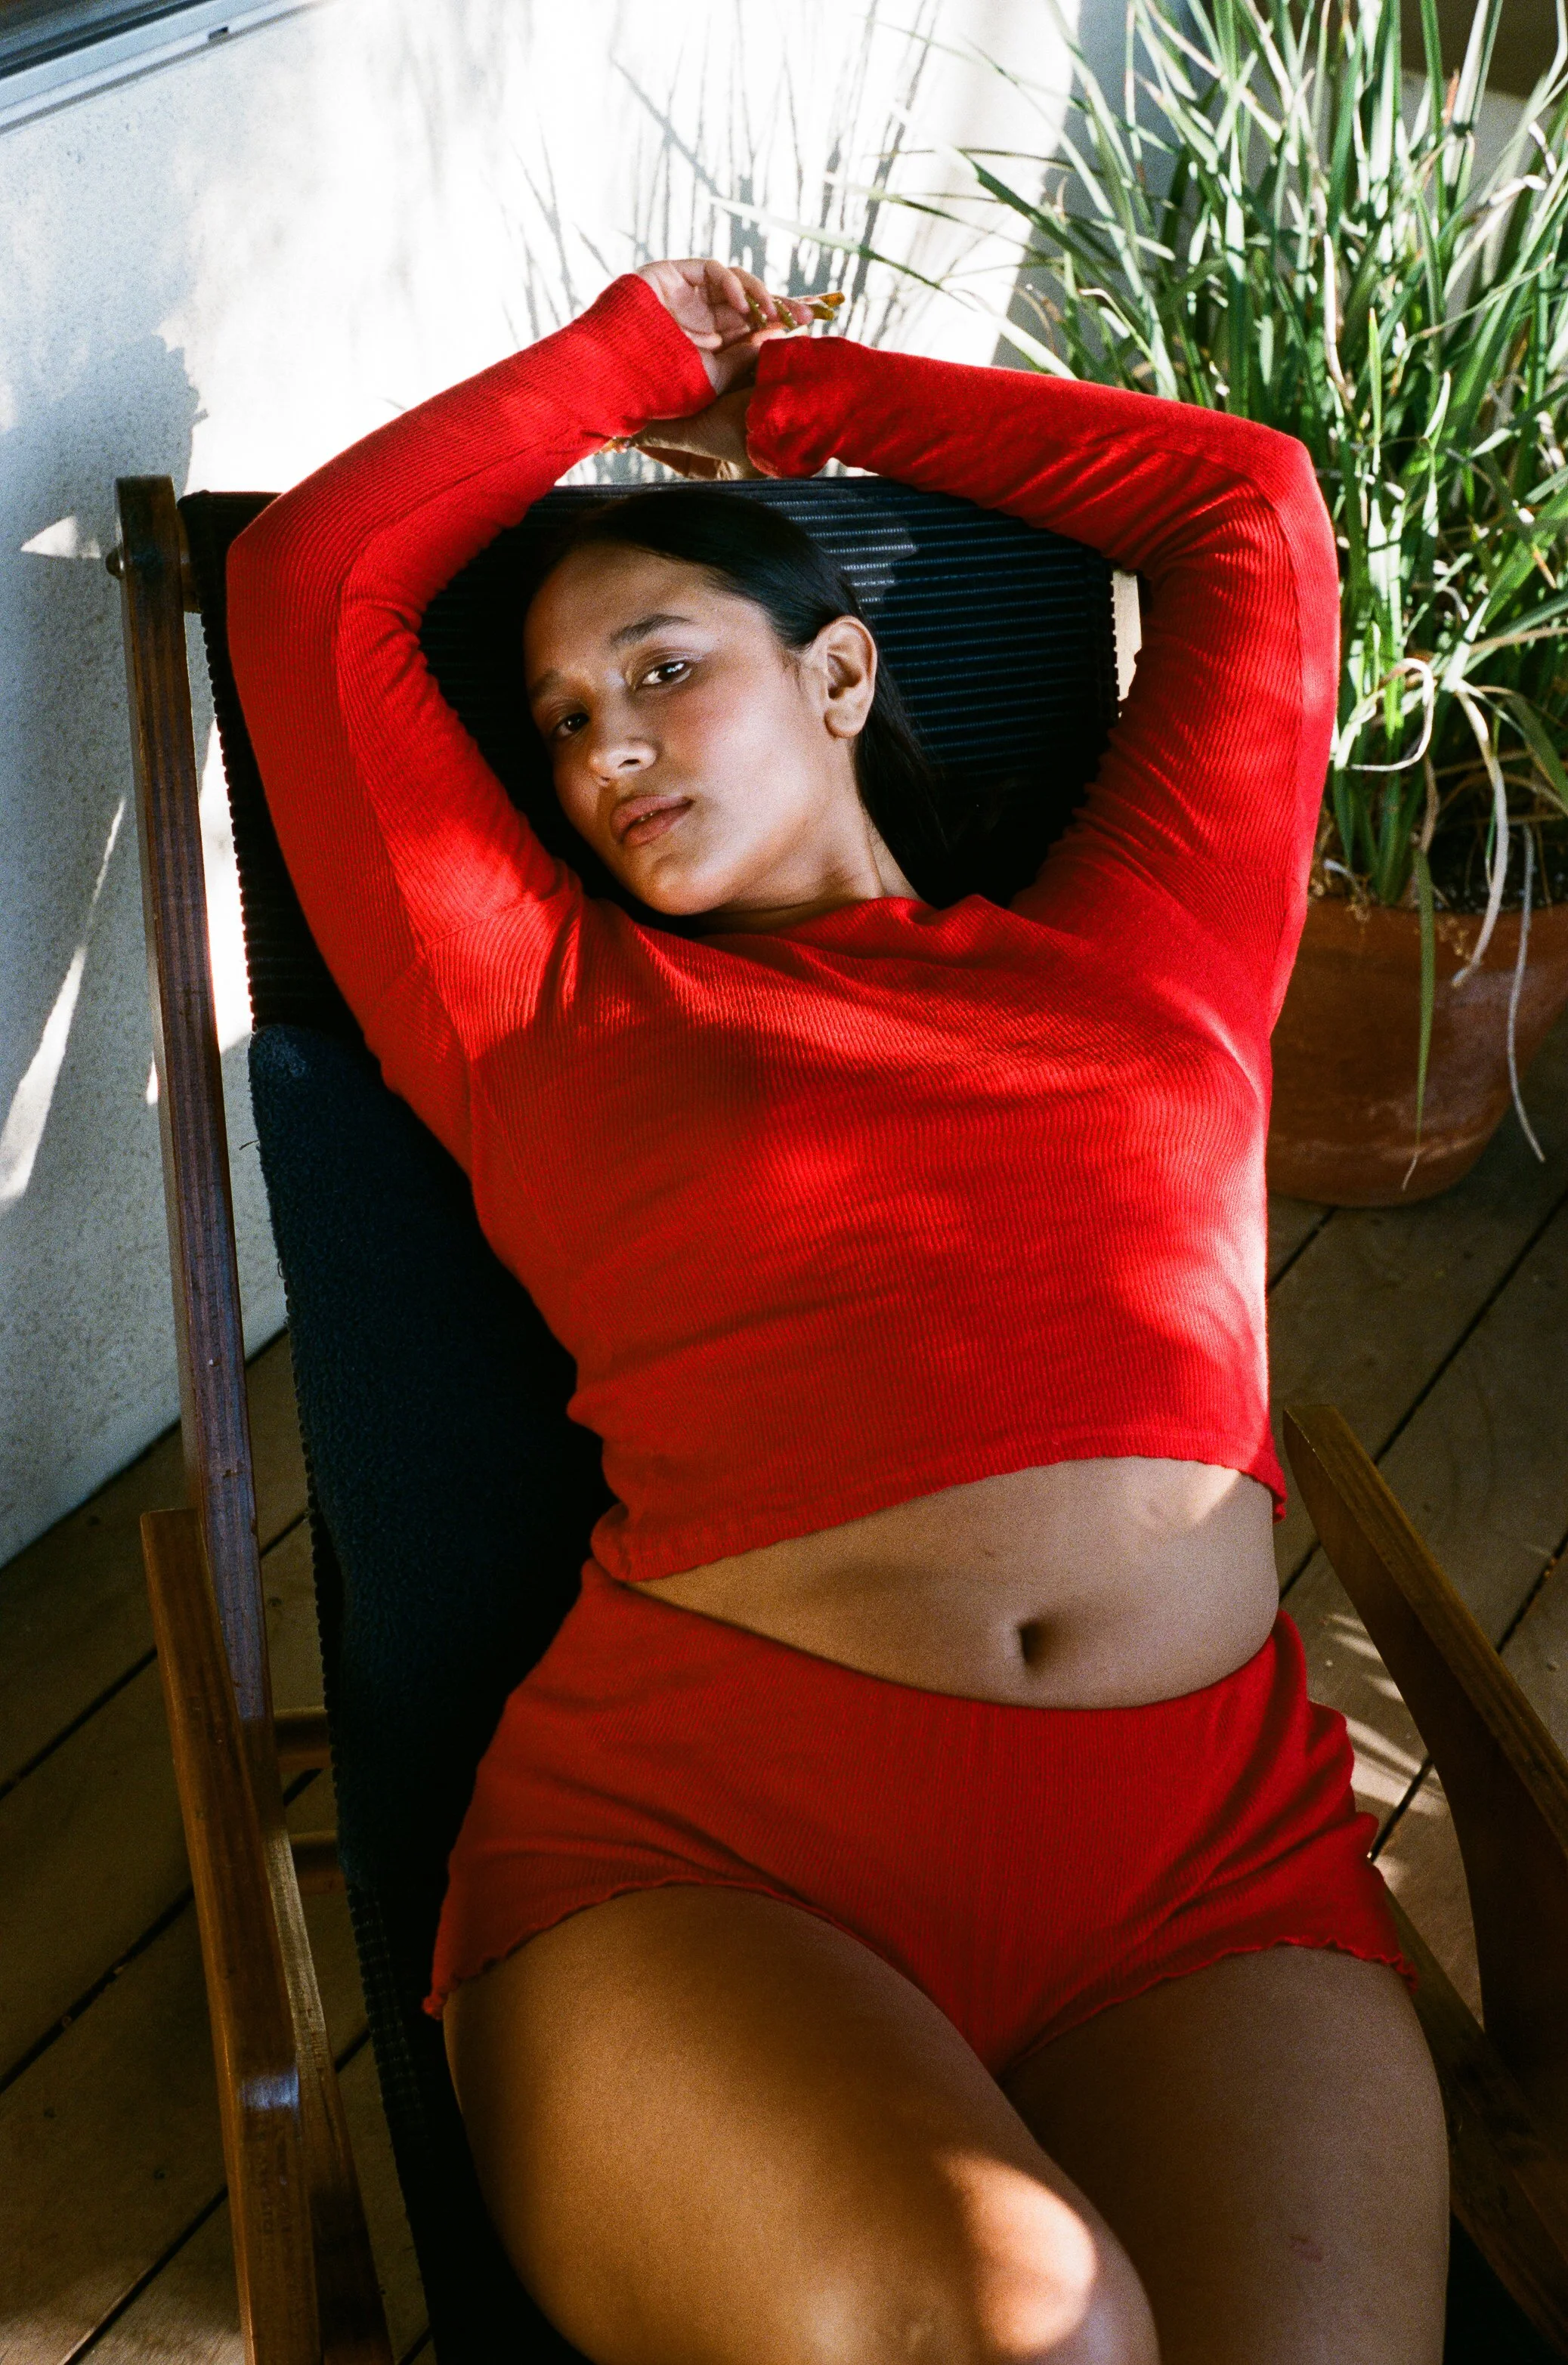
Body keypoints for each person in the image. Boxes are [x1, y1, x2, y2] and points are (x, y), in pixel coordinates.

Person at [228, 256, 1449, 2364]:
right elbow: (306, 586)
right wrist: (630, 351)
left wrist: (784, 395)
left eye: (661, 664)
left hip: (1203, 1870)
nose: (606, 746)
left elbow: (1247, 510)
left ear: (843, 674)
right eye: (563, 724)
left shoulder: (1151, 941)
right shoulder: (543, 1012)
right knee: (1031, 2337)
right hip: (717, 1856)